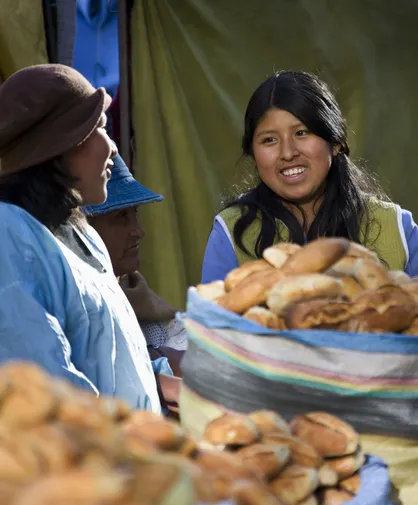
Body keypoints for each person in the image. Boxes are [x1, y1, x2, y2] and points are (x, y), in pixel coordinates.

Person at [0, 63, 176, 413]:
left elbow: (110, 355)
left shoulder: (82, 234)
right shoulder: (10, 235)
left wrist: (161, 383)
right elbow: (47, 391)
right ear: (59, 144)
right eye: (100, 128)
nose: (112, 147)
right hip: (83, 461)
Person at [201, 71, 418, 283]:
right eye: (269, 140)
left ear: (335, 143)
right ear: (253, 154)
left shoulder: (397, 228)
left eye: (301, 133)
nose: (288, 153)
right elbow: (210, 317)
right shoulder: (231, 233)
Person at [85, 154, 187, 376]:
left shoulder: (151, 314)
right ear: (83, 229)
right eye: (121, 216)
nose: (138, 231)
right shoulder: (73, 309)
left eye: (135, 214)